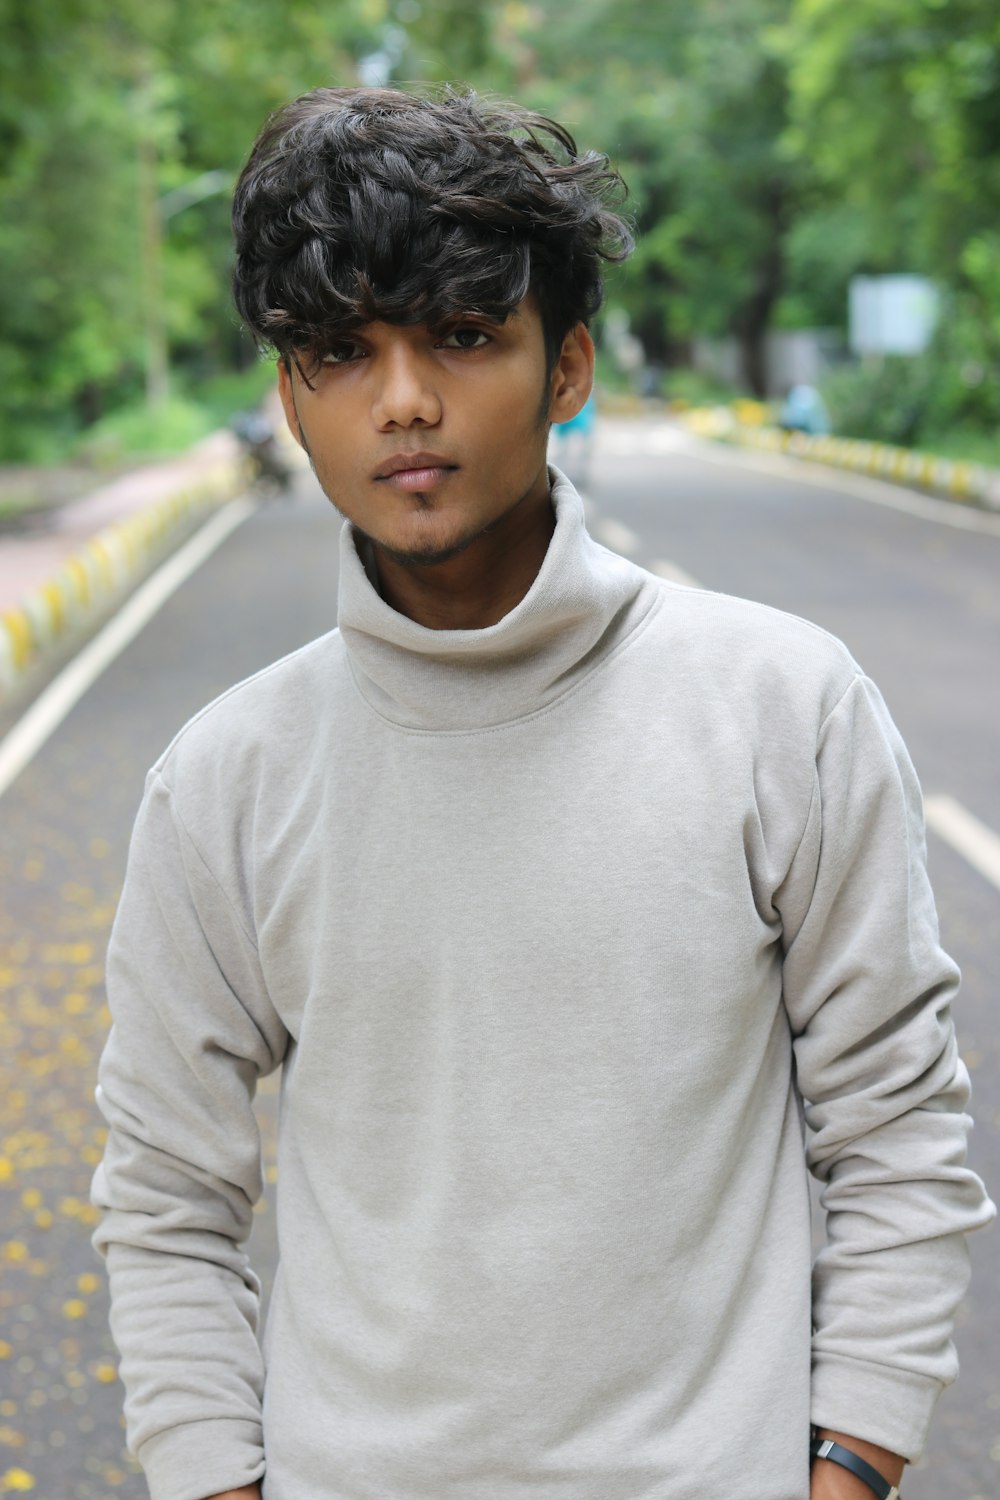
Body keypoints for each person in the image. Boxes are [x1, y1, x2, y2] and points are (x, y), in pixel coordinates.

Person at [91, 86, 993, 1500]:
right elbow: (165, 1198)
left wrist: (852, 1461)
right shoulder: (223, 780)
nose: (402, 399)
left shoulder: (780, 707)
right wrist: (219, 1478)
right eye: (340, 352)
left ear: (567, 367)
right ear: (289, 398)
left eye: (462, 336)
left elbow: (897, 1127)